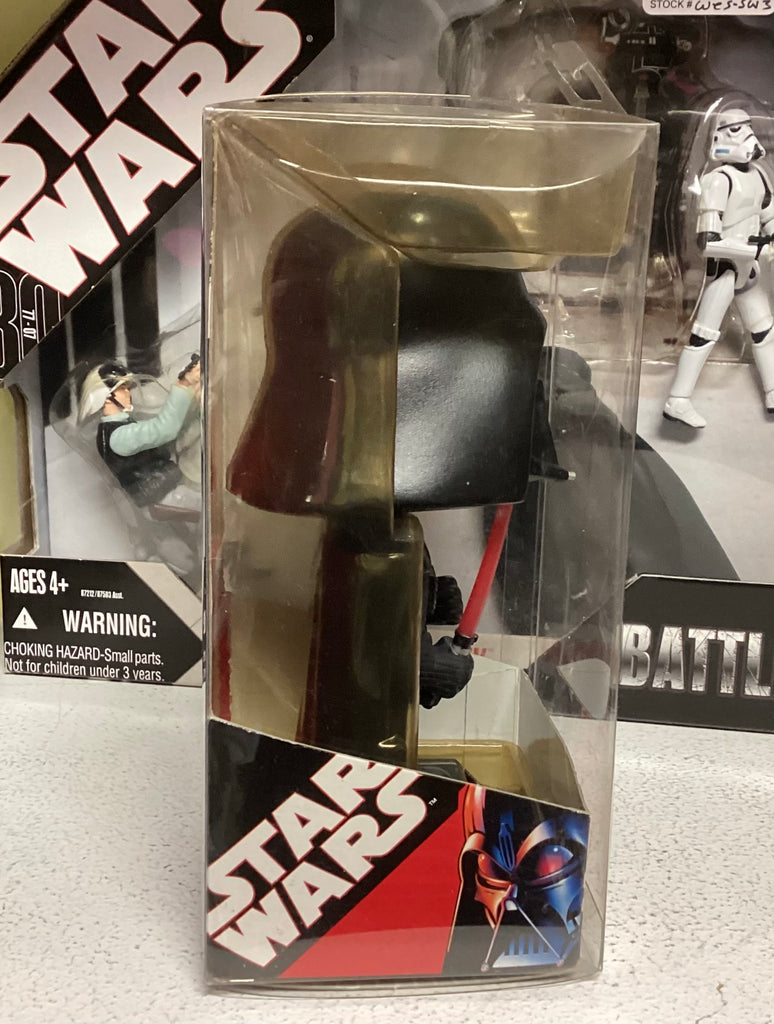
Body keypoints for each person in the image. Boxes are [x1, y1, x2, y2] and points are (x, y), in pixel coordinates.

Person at [663, 109, 774, 428]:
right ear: (721, 136)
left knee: (764, 330)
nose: (747, 136)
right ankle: (677, 401)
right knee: (704, 334)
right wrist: (753, 249)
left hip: (750, 270)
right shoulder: (717, 180)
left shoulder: (759, 175)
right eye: (737, 130)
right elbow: (708, 242)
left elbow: (768, 215)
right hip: (725, 269)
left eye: (747, 128)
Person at [78, 358, 201, 512]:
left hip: (165, 484)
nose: (128, 393)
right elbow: (165, 429)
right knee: (211, 500)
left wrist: (190, 392)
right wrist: (184, 384)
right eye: (122, 389)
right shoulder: (118, 437)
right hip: (164, 495)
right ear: (106, 398)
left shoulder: (119, 426)